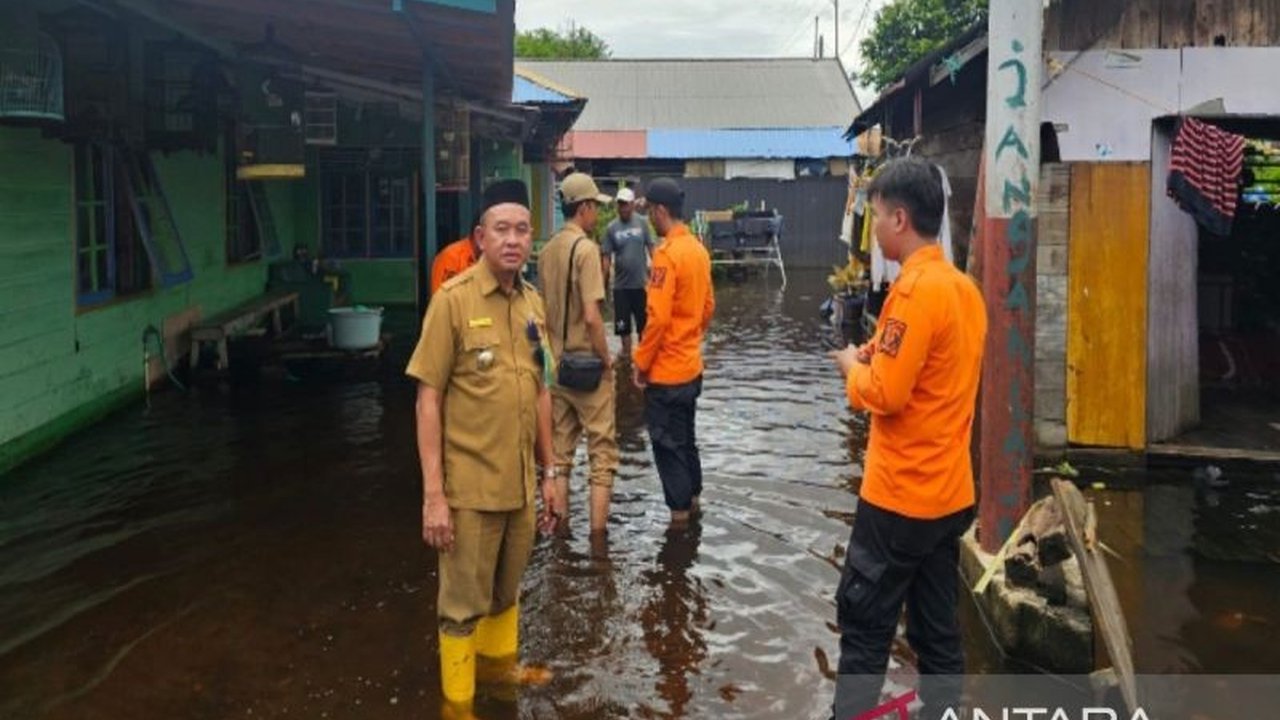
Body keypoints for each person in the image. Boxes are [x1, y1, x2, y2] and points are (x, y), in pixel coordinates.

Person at [828, 158, 987, 720]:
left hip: (899, 498)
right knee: (937, 629)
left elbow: (886, 392)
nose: (872, 229)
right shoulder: (964, 290)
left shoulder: (914, 291)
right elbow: (920, 366)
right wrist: (872, 353)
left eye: (875, 216)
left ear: (899, 218)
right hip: (949, 495)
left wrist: (852, 368)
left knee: (865, 627)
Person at [406, 179, 561, 714]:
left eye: (521, 229)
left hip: (519, 485)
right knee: (459, 608)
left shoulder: (533, 305)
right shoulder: (452, 302)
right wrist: (434, 497)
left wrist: (551, 473)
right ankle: (459, 706)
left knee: (506, 592)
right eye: (501, 229)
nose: (512, 240)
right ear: (480, 237)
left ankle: (498, 680)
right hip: (469, 490)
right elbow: (427, 400)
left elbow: (541, 391)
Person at [538, 172, 619, 535]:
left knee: (560, 455)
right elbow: (592, 317)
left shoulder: (546, 251)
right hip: (587, 367)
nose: (597, 215)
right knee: (602, 455)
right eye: (595, 208)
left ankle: (561, 537)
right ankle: (598, 544)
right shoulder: (586, 250)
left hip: (556, 368)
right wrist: (606, 361)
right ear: (583, 207)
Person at [632, 177, 714, 527]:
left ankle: (679, 528)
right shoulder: (698, 250)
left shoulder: (666, 256)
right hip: (691, 368)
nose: (649, 217)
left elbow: (658, 318)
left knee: (668, 448)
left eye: (651, 210)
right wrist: (689, 336)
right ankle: (694, 506)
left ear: (661, 211)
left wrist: (640, 363)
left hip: (666, 374)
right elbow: (708, 307)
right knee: (686, 441)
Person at [601, 187, 655, 362]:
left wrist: (657, 276)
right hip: (621, 288)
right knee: (623, 330)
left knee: (644, 330)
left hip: (641, 286)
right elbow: (606, 258)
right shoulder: (611, 228)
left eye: (625, 204)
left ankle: (642, 362)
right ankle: (626, 360)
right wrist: (603, 285)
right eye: (620, 204)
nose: (622, 208)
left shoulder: (642, 223)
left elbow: (652, 249)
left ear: (632, 205)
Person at [430, 217, 481, 295]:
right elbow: (442, 298)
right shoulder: (451, 257)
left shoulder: (491, 258)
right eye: (498, 231)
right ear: (479, 235)